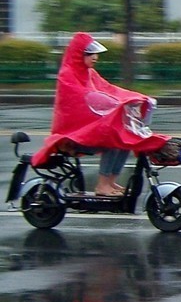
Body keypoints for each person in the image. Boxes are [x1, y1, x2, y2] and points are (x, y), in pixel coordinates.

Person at [32, 32, 170, 195]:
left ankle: (110, 182)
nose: (95, 57)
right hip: (72, 136)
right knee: (111, 142)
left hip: (88, 132)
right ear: (78, 55)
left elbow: (109, 90)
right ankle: (102, 185)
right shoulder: (67, 74)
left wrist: (134, 98)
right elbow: (82, 98)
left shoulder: (90, 73)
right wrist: (114, 105)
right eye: (90, 54)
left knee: (125, 141)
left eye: (96, 53)